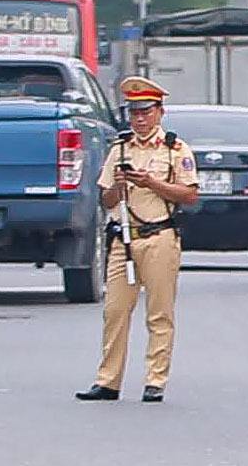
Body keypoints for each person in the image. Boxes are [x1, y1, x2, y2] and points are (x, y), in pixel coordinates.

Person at [79, 76, 198, 404]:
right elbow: (106, 199)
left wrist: (151, 183)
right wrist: (119, 185)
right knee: (115, 311)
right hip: (124, 240)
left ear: (160, 112)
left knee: (159, 314)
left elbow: (189, 195)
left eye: (146, 111)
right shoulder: (119, 149)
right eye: (134, 113)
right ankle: (108, 380)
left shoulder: (175, 149)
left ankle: (155, 380)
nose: (140, 118)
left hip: (159, 236)